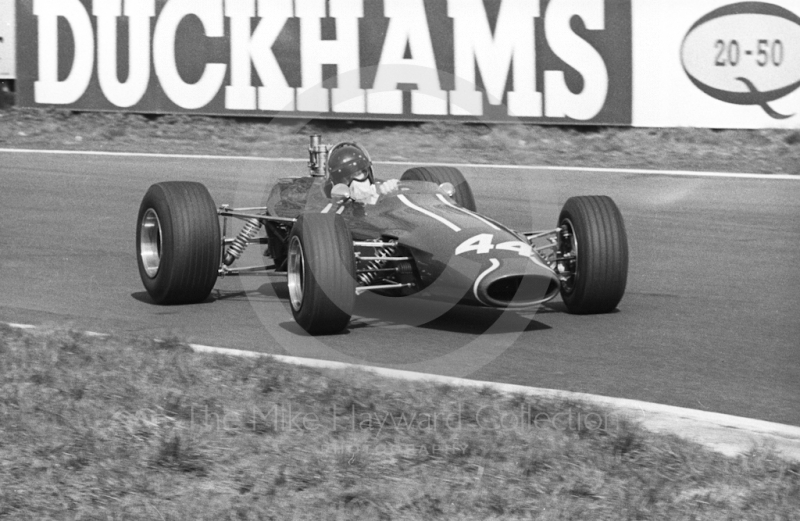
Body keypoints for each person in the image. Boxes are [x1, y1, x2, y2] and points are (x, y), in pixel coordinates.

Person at [327, 143, 399, 205]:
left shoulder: (383, 191)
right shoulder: (336, 210)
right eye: (346, 179)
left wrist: (394, 188)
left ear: (369, 173)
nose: (355, 184)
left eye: (358, 174)